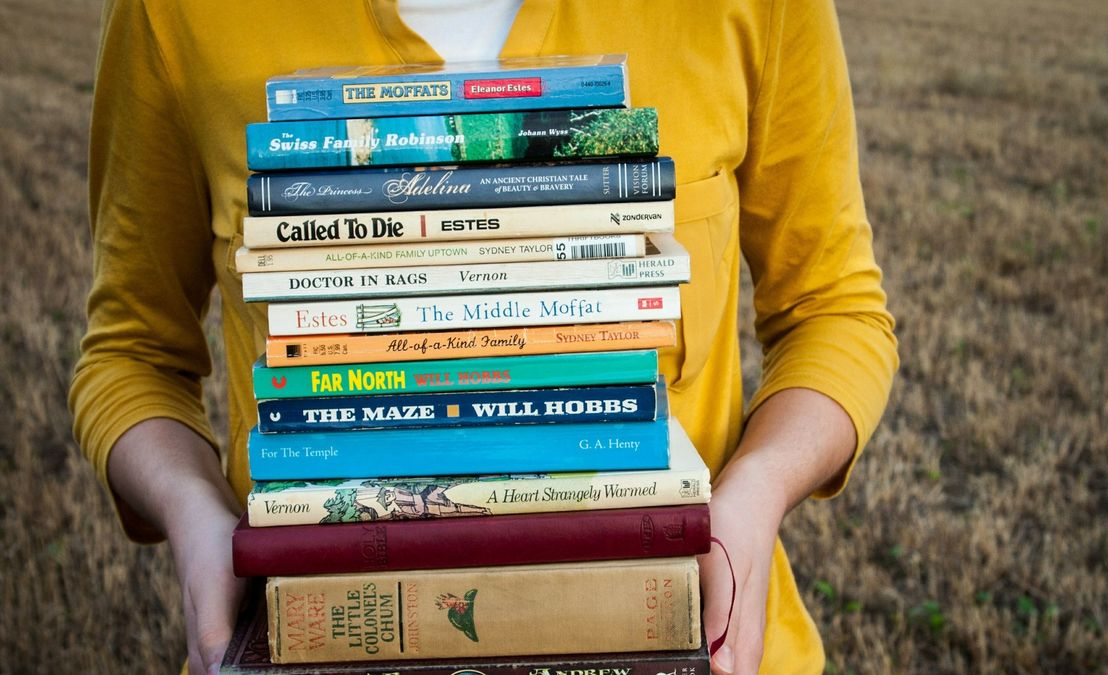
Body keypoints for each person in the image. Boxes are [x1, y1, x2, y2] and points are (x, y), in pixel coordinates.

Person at [71, 1, 898, 673]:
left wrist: (755, 492)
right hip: (318, 636)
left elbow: (832, 309)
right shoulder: (175, 14)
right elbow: (133, 351)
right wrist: (194, 510)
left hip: (684, 638)